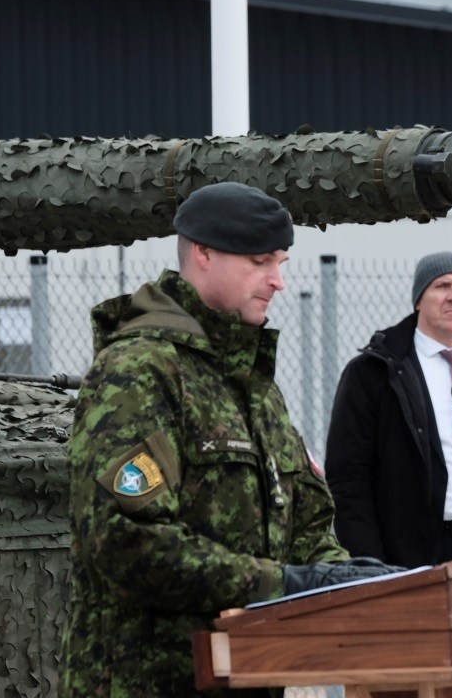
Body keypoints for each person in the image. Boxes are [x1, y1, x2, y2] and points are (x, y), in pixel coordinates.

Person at [61, 182, 401, 698]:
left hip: (247, 675)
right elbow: (127, 543)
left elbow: (305, 523)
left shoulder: (251, 384)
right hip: (146, 682)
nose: (278, 282)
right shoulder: (140, 372)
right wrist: (284, 585)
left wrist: (351, 581)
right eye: (261, 262)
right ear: (203, 253)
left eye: (281, 262)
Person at [325, 250, 452, 568]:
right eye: (441, 286)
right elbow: (348, 477)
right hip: (407, 552)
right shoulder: (373, 373)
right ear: (418, 300)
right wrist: (369, 562)